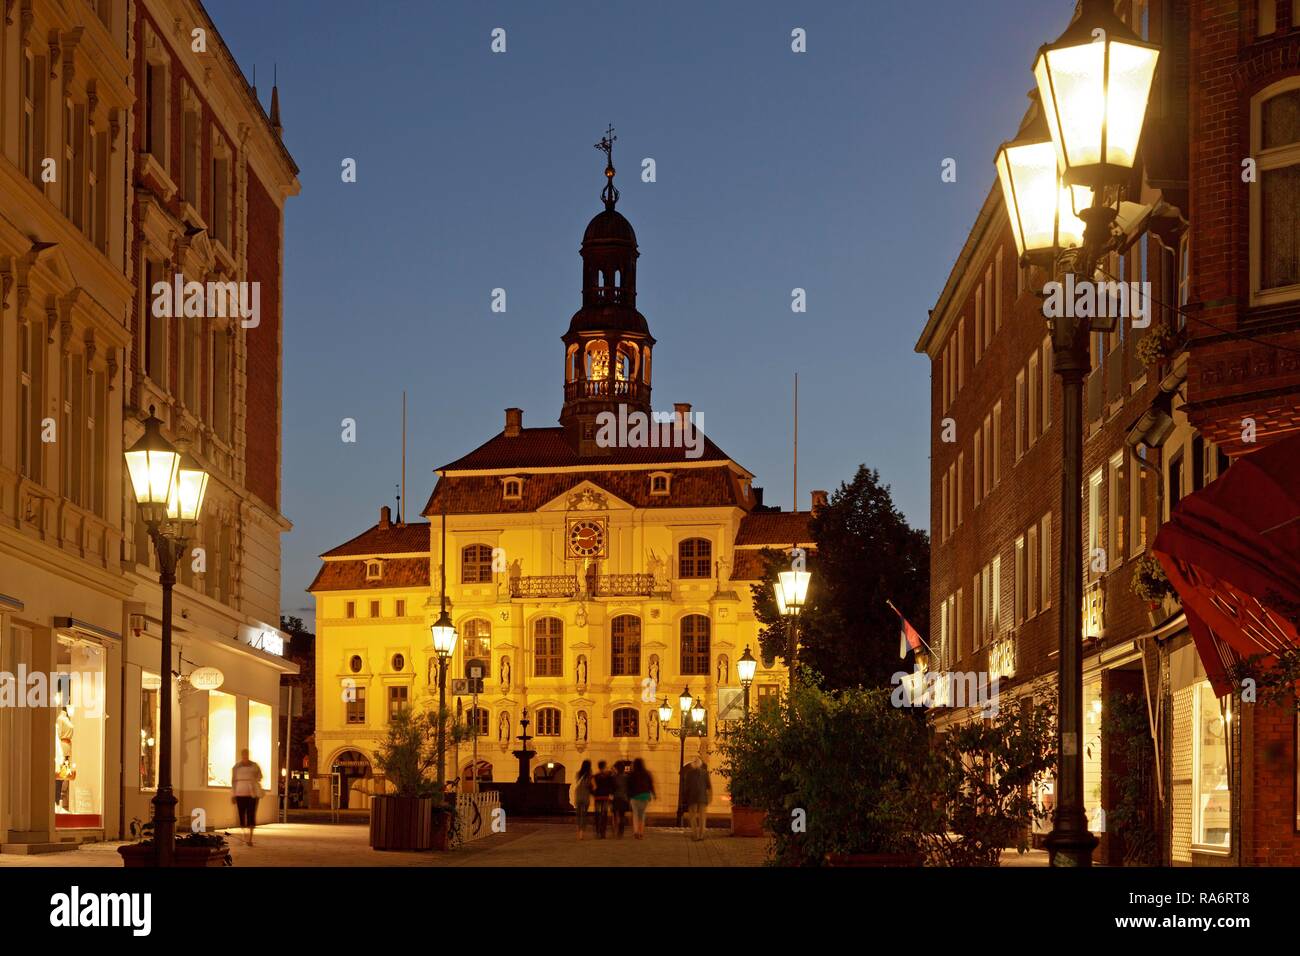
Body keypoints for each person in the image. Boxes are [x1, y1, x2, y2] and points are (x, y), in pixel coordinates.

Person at [230, 749, 264, 846]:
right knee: (241, 815)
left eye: (246, 754)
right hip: (240, 793)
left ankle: (250, 838)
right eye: (243, 754)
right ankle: (245, 836)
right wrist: (233, 794)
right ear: (242, 755)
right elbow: (233, 781)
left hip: (252, 794)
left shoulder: (254, 766)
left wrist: (253, 781)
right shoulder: (236, 767)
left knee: (251, 814)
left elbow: (260, 776)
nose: (245, 756)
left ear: (248, 755)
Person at [682, 756, 712, 841]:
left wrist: (685, 797)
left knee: (692, 817)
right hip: (702, 797)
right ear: (700, 764)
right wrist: (709, 797)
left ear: (692, 764)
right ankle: (701, 835)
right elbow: (709, 786)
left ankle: (695, 835)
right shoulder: (705, 773)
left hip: (692, 797)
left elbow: (686, 787)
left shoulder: (689, 774)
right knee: (702, 817)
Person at [627, 757, 655, 839]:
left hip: (634, 796)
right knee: (642, 815)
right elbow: (650, 784)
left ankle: (636, 832)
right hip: (645, 796)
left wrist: (628, 796)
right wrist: (653, 794)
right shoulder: (647, 773)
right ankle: (641, 832)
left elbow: (629, 786)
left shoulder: (632, 774)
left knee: (635, 814)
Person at [592, 760, 614, 838]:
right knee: (604, 815)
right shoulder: (608, 776)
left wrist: (594, 794)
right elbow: (611, 786)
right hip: (605, 797)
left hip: (597, 797)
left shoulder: (595, 776)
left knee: (597, 815)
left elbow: (592, 787)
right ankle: (603, 833)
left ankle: (598, 831)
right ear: (604, 767)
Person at [573, 760, 594, 840]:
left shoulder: (578, 774)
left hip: (578, 794)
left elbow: (577, 782)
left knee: (578, 814)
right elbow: (594, 786)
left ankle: (578, 832)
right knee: (584, 815)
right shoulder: (590, 775)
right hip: (585, 795)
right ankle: (581, 834)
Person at [612, 761, 630, 838]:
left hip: (616, 798)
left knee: (615, 815)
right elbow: (629, 788)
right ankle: (620, 832)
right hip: (624, 798)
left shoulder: (613, 777)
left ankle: (615, 831)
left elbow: (612, 788)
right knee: (622, 815)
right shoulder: (627, 777)